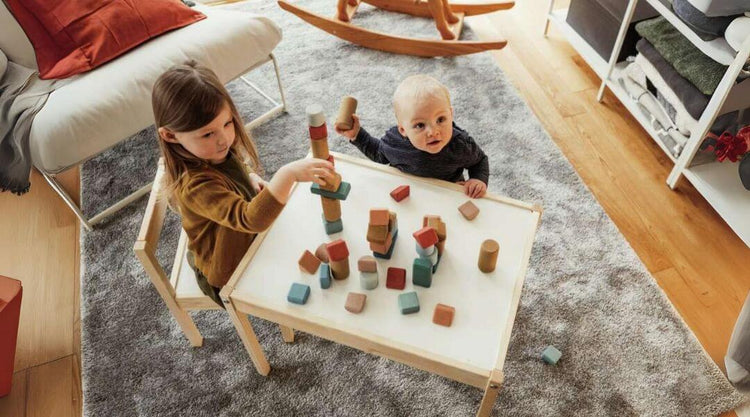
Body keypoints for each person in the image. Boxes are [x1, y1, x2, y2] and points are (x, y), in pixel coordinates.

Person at [152, 61, 334, 307]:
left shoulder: (210, 151)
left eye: (227, 123)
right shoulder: (196, 185)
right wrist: (287, 174)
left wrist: (248, 176)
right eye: (207, 134)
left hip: (240, 233)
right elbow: (252, 220)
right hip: (224, 270)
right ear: (170, 136)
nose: (224, 139)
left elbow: (233, 167)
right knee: (299, 292)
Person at [336, 74, 489, 198]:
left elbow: (480, 160)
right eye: (420, 125)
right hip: (411, 195)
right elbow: (379, 154)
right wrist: (356, 135)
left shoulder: (460, 145)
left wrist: (477, 179)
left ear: (451, 114)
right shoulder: (395, 142)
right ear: (403, 130)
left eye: (441, 120)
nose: (433, 132)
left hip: (448, 194)